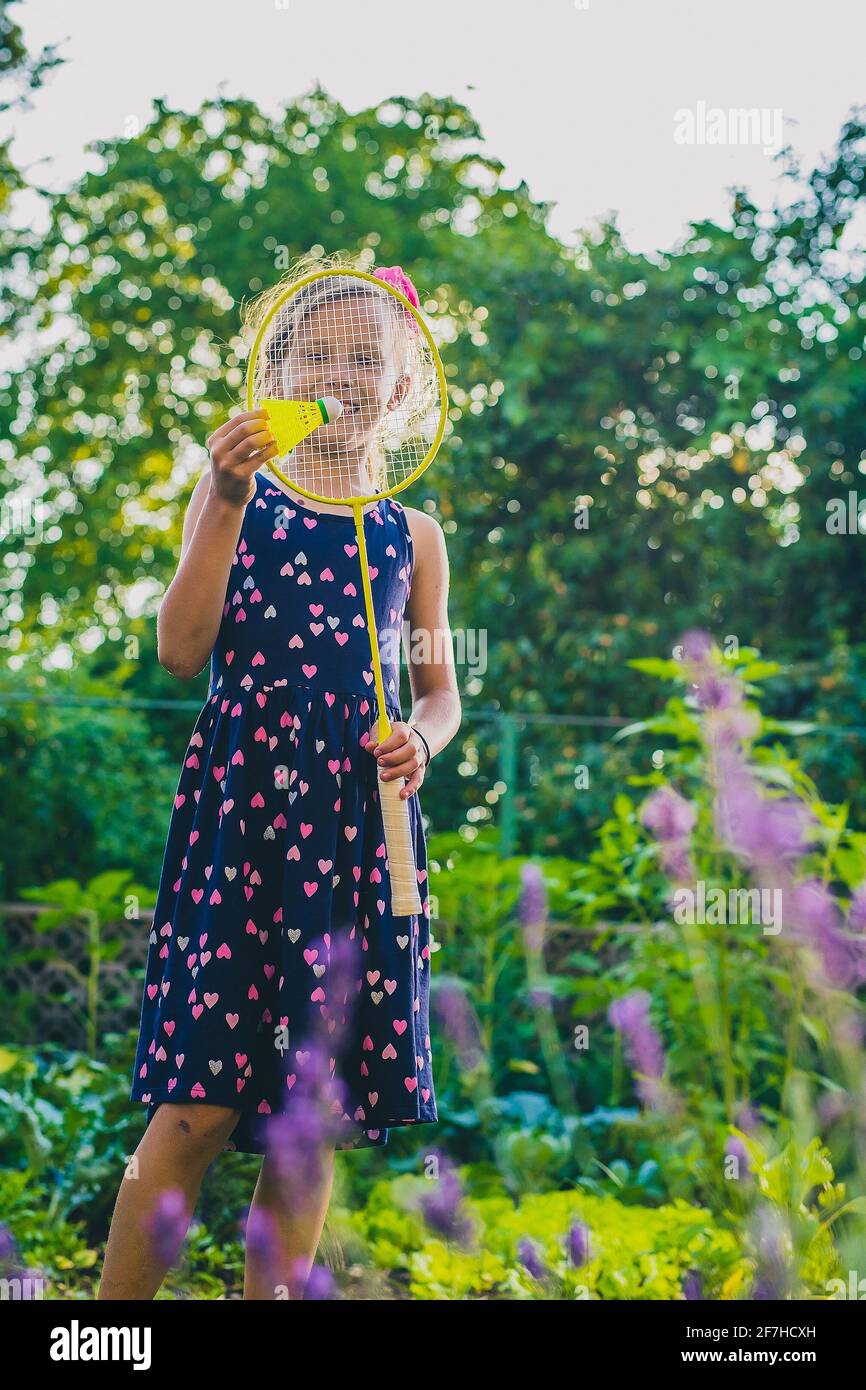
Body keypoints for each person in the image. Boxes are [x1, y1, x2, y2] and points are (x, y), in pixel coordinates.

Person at [99, 255, 461, 1299]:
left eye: (365, 360)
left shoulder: (413, 535)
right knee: (196, 1109)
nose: (341, 376)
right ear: (277, 375)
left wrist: (424, 740)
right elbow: (180, 650)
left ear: (402, 387)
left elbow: (440, 695)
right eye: (318, 356)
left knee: (311, 1118)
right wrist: (221, 495)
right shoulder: (237, 497)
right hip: (244, 829)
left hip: (355, 836)